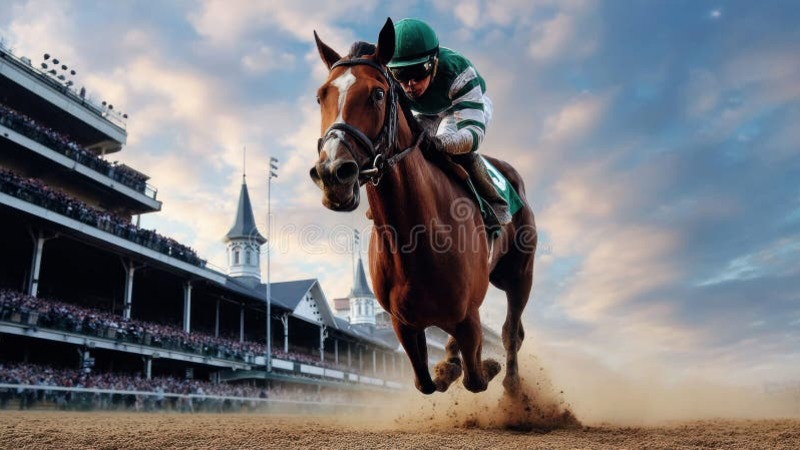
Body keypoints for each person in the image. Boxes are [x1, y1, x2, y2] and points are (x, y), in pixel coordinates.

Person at [387, 18, 511, 224]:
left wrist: (441, 143)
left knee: (449, 147)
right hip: (429, 112)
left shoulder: (459, 72)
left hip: (464, 106)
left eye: (418, 72)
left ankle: (495, 202)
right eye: (401, 74)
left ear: (434, 62)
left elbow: (473, 134)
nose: (410, 84)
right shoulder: (389, 76)